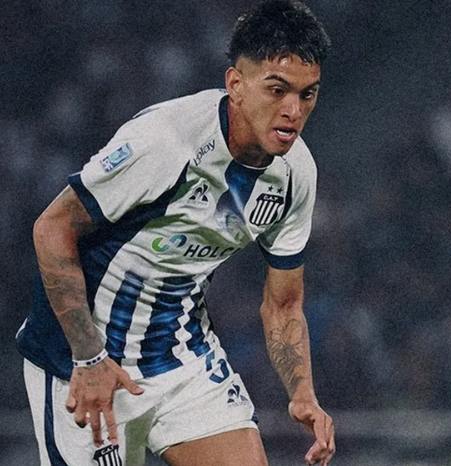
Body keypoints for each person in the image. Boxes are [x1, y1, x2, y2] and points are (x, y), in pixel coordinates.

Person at [16, 1, 336, 465]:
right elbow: (51, 228)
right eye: (277, 89)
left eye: (308, 94)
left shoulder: (295, 175)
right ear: (236, 84)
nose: (293, 110)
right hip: (83, 362)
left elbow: (283, 303)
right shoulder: (166, 140)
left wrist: (302, 392)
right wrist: (88, 357)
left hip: (181, 357)